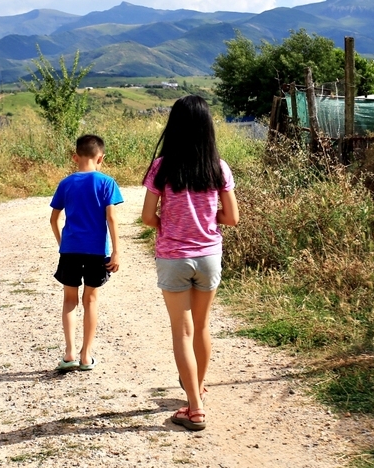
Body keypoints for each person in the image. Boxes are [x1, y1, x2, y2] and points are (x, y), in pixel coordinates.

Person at [141, 95, 239, 431]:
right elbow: (232, 217)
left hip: (173, 257)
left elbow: (146, 217)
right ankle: (197, 387)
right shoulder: (218, 166)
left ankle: (194, 407)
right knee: (201, 327)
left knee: (181, 331)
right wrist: (207, 222)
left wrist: (168, 226)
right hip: (209, 255)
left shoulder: (162, 167)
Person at [49, 134, 123, 372]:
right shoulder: (106, 183)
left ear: (75, 157)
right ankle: (85, 356)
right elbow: (111, 218)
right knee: (90, 300)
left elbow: (54, 219)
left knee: (69, 300)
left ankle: (69, 352)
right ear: (101, 158)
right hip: (96, 251)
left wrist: (63, 243)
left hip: (70, 249)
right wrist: (116, 252)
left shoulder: (65, 183)